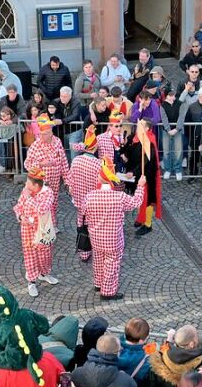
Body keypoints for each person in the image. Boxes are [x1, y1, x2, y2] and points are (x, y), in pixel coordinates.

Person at [81, 160, 146, 300]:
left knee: (98, 260)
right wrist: (140, 186)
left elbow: (83, 214)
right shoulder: (119, 197)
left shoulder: (89, 196)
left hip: (95, 237)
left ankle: (98, 283)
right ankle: (108, 291)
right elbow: (136, 202)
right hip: (113, 239)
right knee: (112, 263)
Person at [14, 167, 58, 298]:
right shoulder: (26, 191)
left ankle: (44, 273)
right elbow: (18, 206)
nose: (26, 185)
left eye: (28, 183)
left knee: (45, 254)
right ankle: (31, 281)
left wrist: (29, 198)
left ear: (36, 185)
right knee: (30, 255)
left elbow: (42, 209)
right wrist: (20, 216)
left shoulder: (48, 193)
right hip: (27, 228)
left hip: (42, 228)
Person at [24, 114, 69, 228]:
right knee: (42, 203)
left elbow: (63, 161)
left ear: (51, 132)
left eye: (45, 134)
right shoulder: (35, 145)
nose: (42, 136)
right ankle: (43, 225)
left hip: (55, 180)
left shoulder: (57, 142)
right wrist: (40, 164)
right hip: (41, 182)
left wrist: (67, 180)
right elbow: (27, 164)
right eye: (41, 134)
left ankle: (52, 225)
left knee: (53, 202)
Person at [66, 126, 102, 262]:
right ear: (94, 148)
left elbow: (70, 180)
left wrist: (73, 192)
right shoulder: (98, 164)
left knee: (81, 225)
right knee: (93, 226)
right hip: (93, 202)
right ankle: (96, 248)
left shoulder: (76, 161)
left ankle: (84, 252)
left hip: (80, 201)